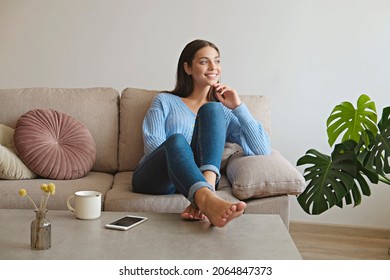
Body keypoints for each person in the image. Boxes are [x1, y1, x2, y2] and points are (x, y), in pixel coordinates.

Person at [132, 39, 271, 227]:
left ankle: (204, 195)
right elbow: (153, 146)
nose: (213, 67)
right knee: (177, 141)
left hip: (195, 182)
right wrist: (187, 171)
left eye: (217, 61)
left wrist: (238, 107)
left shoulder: (223, 111)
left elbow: (262, 149)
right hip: (156, 176)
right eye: (204, 61)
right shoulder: (164, 101)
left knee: (213, 109)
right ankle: (206, 196)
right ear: (188, 68)